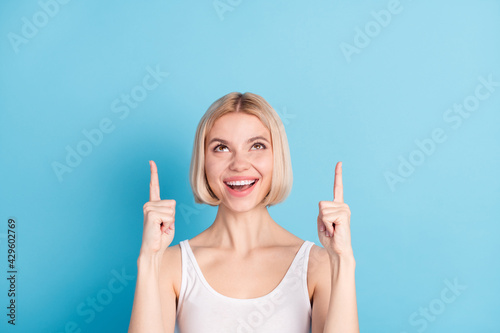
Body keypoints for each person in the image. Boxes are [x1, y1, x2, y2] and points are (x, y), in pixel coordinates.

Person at [128, 92, 359, 333]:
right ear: (204, 162)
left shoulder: (318, 264)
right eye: (221, 148)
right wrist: (149, 260)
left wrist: (343, 261)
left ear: (276, 158)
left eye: (257, 146)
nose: (239, 163)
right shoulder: (171, 264)